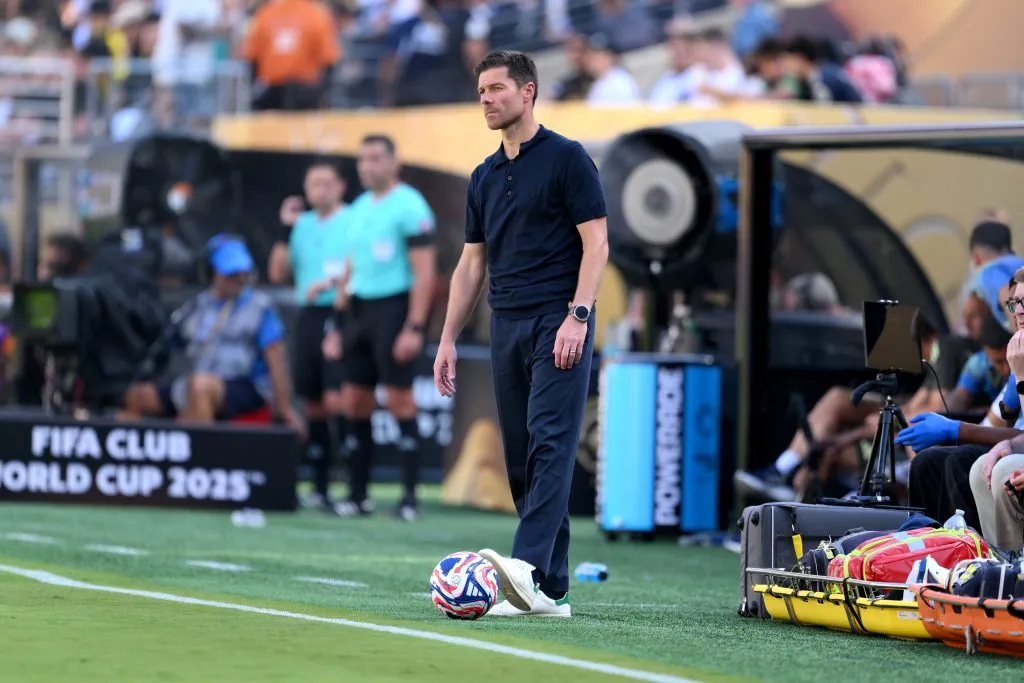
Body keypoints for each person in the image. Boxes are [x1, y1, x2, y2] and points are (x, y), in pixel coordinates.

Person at [433, 50, 608, 618]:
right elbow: (470, 265)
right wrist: (447, 339)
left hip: (558, 319)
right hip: (504, 324)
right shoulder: (483, 176)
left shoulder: (567, 158)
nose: (486, 100)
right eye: (481, 91)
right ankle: (551, 592)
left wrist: (578, 315)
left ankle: (525, 569)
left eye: (497, 89)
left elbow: (597, 244)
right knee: (521, 459)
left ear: (528, 91)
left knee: (551, 443)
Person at [322, 134, 436, 522]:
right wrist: (336, 324)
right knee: (354, 401)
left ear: (393, 162)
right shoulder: (357, 208)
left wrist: (414, 326)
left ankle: (409, 498)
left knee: (401, 401)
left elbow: (425, 273)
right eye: (362, 159)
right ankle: (357, 496)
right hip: (358, 312)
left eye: (375, 158)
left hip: (394, 309)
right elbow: (349, 267)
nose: (367, 166)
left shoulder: (410, 205)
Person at [121, 236, 304, 433]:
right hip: (197, 380)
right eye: (230, 274)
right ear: (212, 274)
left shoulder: (259, 308)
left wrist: (284, 407)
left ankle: (198, 451)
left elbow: (276, 357)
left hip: (244, 385)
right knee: (135, 394)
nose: (237, 279)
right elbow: (171, 342)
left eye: (241, 273)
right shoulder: (196, 307)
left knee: (199, 387)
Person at [269, 160, 350, 513]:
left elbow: (361, 264)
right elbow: (276, 273)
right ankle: (319, 485)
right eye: (314, 183)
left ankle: (351, 481)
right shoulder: (300, 225)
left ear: (340, 186)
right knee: (313, 400)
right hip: (308, 314)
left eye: (327, 182)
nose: (320, 189)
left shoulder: (353, 219)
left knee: (338, 399)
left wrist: (333, 283)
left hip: (342, 311)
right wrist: (285, 228)